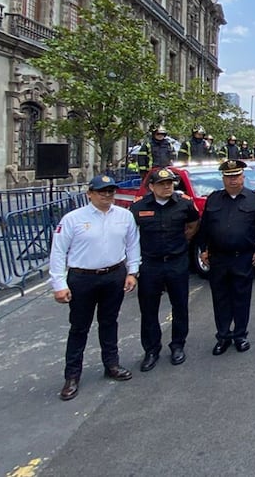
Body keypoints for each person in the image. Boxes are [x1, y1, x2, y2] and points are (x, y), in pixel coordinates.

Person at [49, 174, 141, 401]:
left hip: (114, 275)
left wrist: (132, 272)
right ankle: (72, 376)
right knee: (79, 327)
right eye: (101, 191)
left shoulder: (124, 216)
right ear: (90, 194)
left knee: (109, 322)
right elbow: (58, 251)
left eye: (110, 191)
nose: (107, 196)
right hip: (83, 278)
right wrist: (59, 284)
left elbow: (133, 244)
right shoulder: (73, 219)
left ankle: (111, 364)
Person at [129, 168, 200, 371]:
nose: (167, 186)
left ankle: (178, 345)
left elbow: (194, 223)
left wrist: (184, 241)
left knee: (180, 306)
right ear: (151, 187)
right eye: (162, 184)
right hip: (150, 264)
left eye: (170, 183)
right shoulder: (139, 207)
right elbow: (130, 235)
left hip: (176, 262)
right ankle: (151, 349)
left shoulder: (184, 204)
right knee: (149, 309)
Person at [197, 159, 255, 355]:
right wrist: (203, 249)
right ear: (223, 179)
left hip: (242, 257)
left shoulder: (254, 199)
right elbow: (205, 228)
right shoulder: (213, 199)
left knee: (241, 298)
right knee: (220, 299)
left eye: (236, 176)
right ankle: (223, 336)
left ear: (243, 177)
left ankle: (240, 335)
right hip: (218, 258)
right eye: (229, 177)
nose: (233, 180)